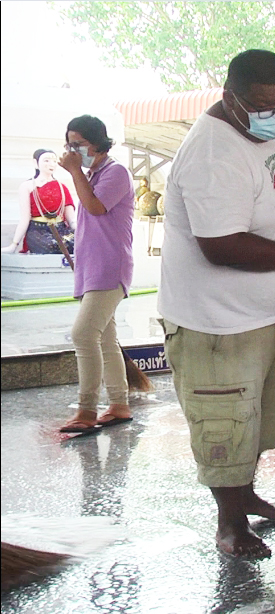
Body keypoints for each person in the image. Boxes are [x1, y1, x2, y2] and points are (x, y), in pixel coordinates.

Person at [158, 49, 275, 559]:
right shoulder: (212, 155)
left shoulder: (257, 133)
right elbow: (223, 247)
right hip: (220, 325)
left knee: (254, 421)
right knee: (226, 423)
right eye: (263, 105)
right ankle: (230, 525)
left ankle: (247, 496)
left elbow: (274, 183)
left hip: (268, 316)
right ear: (230, 98)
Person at [57, 116, 136, 433]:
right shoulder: (93, 173)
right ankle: (119, 404)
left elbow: (96, 207)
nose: (72, 151)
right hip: (93, 267)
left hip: (109, 266)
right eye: (69, 144)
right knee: (104, 337)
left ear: (98, 143)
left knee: (83, 334)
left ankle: (86, 410)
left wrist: (75, 171)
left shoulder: (115, 172)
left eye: (78, 144)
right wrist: (79, 172)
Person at [3, 149, 77, 254]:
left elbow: (71, 219)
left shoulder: (62, 187)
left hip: (60, 229)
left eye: (54, 161)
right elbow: (25, 218)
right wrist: (14, 244)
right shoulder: (27, 186)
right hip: (38, 230)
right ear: (35, 163)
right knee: (53, 246)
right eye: (46, 160)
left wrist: (80, 230)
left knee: (77, 242)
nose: (51, 164)